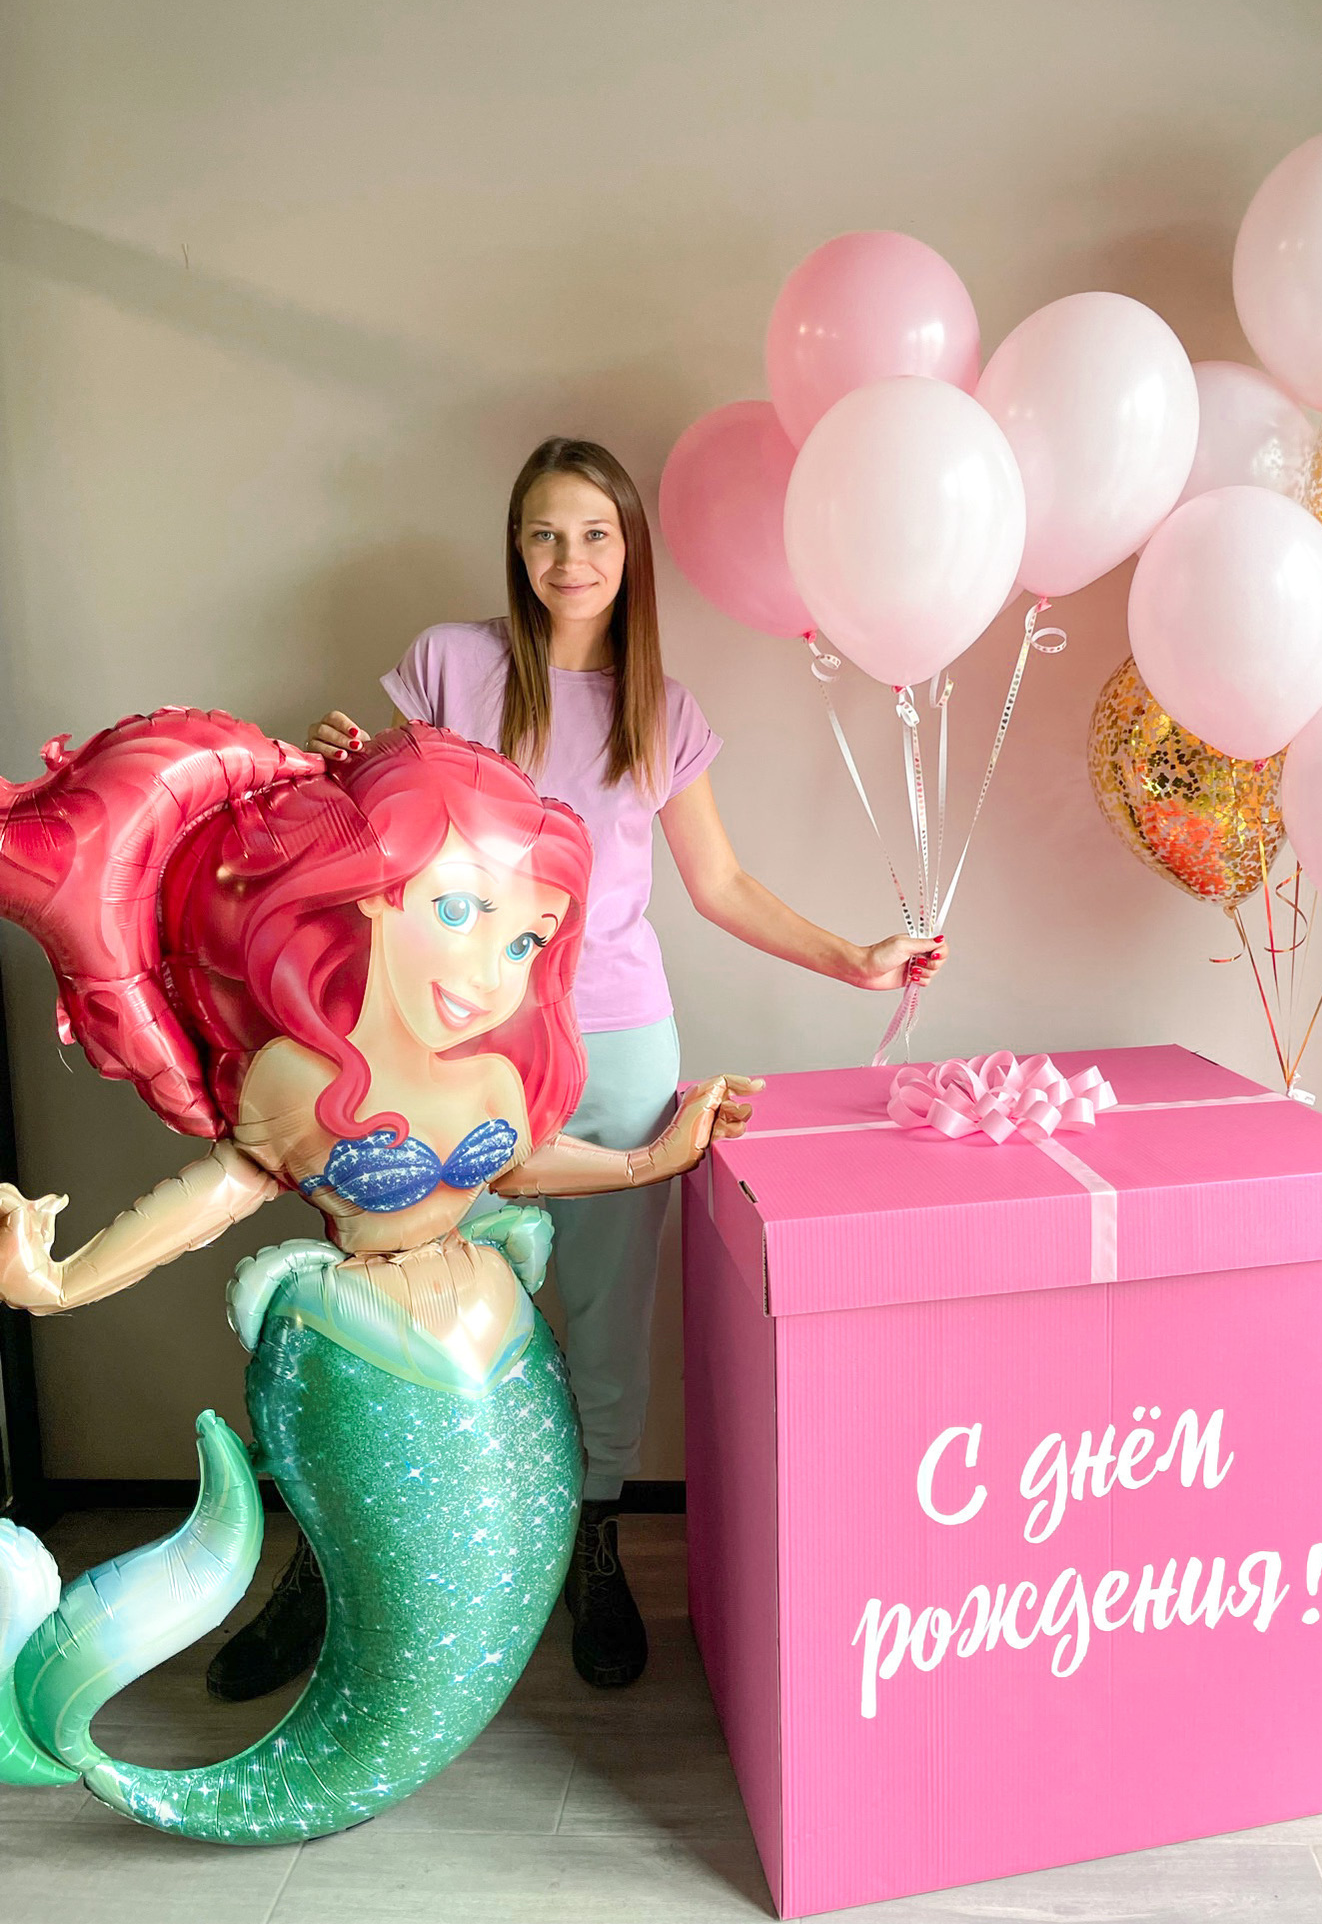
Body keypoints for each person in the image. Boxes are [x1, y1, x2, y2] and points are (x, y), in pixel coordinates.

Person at [214, 435, 945, 1699]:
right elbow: (386, 849)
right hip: (448, 1040)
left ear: (629, 551)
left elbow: (719, 883)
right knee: (389, 1295)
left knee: (606, 1309)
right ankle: (332, 1558)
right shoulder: (452, 667)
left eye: (595, 534)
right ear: (517, 546)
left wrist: (854, 959)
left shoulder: (661, 709)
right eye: (545, 533)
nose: (570, 558)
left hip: (611, 1041)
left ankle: (590, 1541)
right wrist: (333, 773)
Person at [0, 711, 757, 1840]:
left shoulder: (498, 1072)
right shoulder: (296, 1079)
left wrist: (653, 1159)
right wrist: (60, 1281)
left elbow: (523, 1165)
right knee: (392, 1592)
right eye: (456, 912)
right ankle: (274, 1663)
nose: (491, 972)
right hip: (355, 1352)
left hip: (498, 1350)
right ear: (369, 898)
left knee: (477, 1596)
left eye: (524, 940)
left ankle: (311, 1692)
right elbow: (221, 1189)